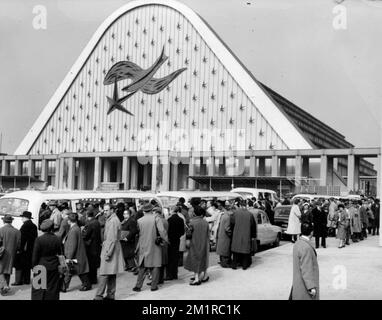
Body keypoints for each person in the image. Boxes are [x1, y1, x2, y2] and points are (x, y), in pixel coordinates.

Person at [133, 203, 168, 292]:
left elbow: (139, 234)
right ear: (152, 210)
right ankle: (153, 286)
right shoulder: (156, 218)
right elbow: (162, 232)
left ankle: (138, 286)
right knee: (155, 266)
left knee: (142, 267)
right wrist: (166, 241)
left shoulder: (139, 220)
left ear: (144, 211)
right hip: (155, 246)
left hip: (143, 245)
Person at [94, 204, 125, 300]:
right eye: (104, 210)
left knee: (103, 273)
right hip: (112, 248)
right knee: (111, 273)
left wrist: (108, 253)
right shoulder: (113, 219)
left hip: (109, 249)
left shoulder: (112, 221)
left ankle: (99, 296)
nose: (105, 212)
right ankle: (111, 295)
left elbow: (112, 239)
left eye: (107, 210)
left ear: (112, 210)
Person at [31, 219, 62, 300]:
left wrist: (34, 267)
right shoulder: (57, 239)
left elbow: (35, 255)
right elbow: (61, 253)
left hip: (40, 266)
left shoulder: (39, 239)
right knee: (52, 289)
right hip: (54, 265)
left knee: (38, 290)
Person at [289, 222, 319, 300]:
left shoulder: (297, 243)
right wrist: (311, 287)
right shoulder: (306, 247)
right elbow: (306, 269)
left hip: (298, 283)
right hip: (304, 286)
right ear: (311, 232)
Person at [62, 213, 91, 292]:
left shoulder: (73, 230)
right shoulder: (75, 228)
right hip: (77, 255)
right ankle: (64, 286)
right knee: (75, 271)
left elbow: (72, 245)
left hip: (75, 255)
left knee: (77, 271)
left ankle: (64, 287)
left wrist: (68, 257)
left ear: (69, 221)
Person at [184, 206, 210, 285]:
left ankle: (196, 278)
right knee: (204, 259)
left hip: (194, 243)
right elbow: (208, 234)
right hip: (204, 243)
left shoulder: (192, 223)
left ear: (195, 213)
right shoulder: (205, 222)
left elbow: (188, 234)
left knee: (195, 259)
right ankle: (205, 275)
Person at [12, 211, 38, 286]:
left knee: (20, 264)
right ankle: (26, 280)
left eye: (22, 217)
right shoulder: (34, 225)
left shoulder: (25, 226)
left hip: (24, 249)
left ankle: (19, 280)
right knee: (27, 265)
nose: (21, 219)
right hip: (31, 248)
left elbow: (22, 239)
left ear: (25, 218)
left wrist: (19, 249)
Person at [230, 200, 256, 270]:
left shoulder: (235, 213)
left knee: (235, 251)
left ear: (240, 206)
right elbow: (253, 226)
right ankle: (244, 266)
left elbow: (231, 224)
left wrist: (232, 233)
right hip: (246, 235)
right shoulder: (250, 214)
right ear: (246, 205)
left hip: (236, 235)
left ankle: (234, 265)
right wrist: (253, 236)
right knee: (245, 252)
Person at [0, 215, 21, 296]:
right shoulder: (17, 231)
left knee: (0, 270)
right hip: (12, 254)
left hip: (2, 253)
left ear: (3, 221)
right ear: (11, 221)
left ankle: (3, 286)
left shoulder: (1, 230)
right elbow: (19, 245)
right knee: (8, 270)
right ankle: (5, 287)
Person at [82, 210, 102, 285]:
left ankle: (92, 279)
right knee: (94, 264)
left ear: (87, 215)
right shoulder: (96, 222)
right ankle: (94, 279)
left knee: (90, 264)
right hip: (96, 245)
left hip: (90, 246)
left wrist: (82, 231)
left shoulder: (89, 224)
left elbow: (85, 235)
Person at [165, 206, 184, 280]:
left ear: (172, 211)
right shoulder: (181, 219)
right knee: (176, 256)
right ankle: (175, 274)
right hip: (177, 239)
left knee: (170, 257)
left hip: (170, 240)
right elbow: (182, 232)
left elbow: (167, 231)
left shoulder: (169, 220)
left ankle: (169, 274)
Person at [216, 201, 232, 268]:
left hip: (221, 235)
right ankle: (225, 263)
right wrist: (231, 234)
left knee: (222, 250)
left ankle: (223, 262)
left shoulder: (223, 215)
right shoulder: (227, 216)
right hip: (225, 236)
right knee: (225, 250)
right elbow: (227, 228)